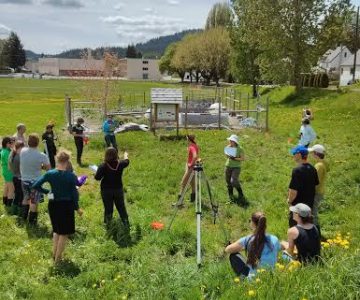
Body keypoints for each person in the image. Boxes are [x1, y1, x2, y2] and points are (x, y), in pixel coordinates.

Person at [32, 151, 83, 263]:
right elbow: (74, 194)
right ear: (67, 161)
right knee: (64, 233)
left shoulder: (50, 174)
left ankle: (54, 254)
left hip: (53, 204)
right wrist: (77, 208)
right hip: (66, 206)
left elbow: (35, 185)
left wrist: (48, 192)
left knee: (56, 231)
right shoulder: (71, 176)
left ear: (57, 160)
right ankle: (58, 260)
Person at [225, 212, 281, 277]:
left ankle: (243, 278)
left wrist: (243, 248)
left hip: (253, 280)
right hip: (271, 277)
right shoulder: (274, 239)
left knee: (233, 255)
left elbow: (227, 249)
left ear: (253, 224)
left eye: (250, 221)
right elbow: (279, 247)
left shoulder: (248, 239)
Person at [20, 134, 51, 225]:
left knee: (26, 198)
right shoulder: (41, 155)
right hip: (35, 182)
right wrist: (41, 166)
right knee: (34, 202)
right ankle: (32, 222)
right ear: (37, 143)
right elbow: (48, 168)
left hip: (24, 180)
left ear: (28, 142)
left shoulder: (22, 151)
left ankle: (23, 217)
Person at [95, 147, 130, 227]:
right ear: (116, 154)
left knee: (108, 208)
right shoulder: (120, 164)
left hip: (106, 191)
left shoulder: (103, 166)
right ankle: (126, 222)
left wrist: (97, 172)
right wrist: (125, 155)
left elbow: (97, 178)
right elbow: (127, 161)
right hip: (118, 189)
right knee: (121, 207)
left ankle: (108, 224)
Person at [288, 145, 319, 227]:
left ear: (299, 154)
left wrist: (290, 201)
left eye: (294, 153)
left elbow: (293, 191)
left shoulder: (297, 170)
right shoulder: (313, 169)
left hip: (297, 208)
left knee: (295, 231)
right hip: (308, 208)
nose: (293, 156)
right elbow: (315, 186)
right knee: (306, 229)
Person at [308, 144, 329, 232]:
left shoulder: (319, 166)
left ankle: (316, 232)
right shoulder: (324, 163)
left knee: (313, 212)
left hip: (317, 192)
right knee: (313, 211)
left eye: (312, 152)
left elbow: (315, 182)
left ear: (316, 153)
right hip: (320, 190)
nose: (311, 154)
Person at [224, 134, 248, 207]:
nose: (230, 142)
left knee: (233, 181)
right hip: (228, 166)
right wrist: (228, 156)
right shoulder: (228, 147)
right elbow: (226, 155)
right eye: (230, 141)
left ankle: (240, 193)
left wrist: (235, 158)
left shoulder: (240, 148)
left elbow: (243, 158)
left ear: (235, 142)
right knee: (228, 181)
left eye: (232, 141)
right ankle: (231, 197)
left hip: (236, 167)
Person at [177, 134, 199, 204]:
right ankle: (193, 200)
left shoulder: (192, 146)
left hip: (191, 168)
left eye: (186, 138)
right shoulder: (194, 145)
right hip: (193, 167)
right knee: (192, 184)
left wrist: (190, 164)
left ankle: (180, 202)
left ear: (188, 138)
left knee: (183, 183)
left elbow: (195, 156)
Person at [8, 140, 25, 214]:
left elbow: (9, 168)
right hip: (20, 178)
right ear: (20, 148)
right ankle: (20, 213)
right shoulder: (19, 157)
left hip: (14, 177)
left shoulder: (11, 154)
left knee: (17, 194)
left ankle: (13, 211)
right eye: (23, 148)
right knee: (21, 195)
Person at [1, 137, 15, 208]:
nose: (12, 144)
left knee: (6, 186)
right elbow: (10, 163)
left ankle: (5, 202)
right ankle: (9, 205)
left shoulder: (3, 150)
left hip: (5, 171)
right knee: (11, 188)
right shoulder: (7, 152)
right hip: (9, 171)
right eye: (10, 143)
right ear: (7, 144)